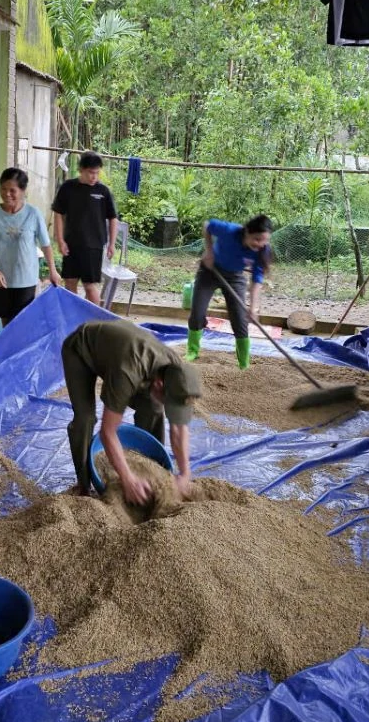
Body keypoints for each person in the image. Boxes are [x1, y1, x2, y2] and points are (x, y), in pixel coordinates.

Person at [61, 319, 201, 504]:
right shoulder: (127, 371)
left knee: (153, 409)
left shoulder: (178, 374)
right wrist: (128, 479)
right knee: (85, 418)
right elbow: (107, 432)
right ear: (159, 384)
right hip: (81, 349)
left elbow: (179, 429)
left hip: (123, 354)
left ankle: (155, 473)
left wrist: (184, 473)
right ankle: (84, 486)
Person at [186, 215, 274, 370]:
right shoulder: (229, 231)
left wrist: (253, 308)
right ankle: (192, 351)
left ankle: (243, 363)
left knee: (240, 320)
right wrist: (209, 251)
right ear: (247, 232)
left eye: (264, 240)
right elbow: (207, 225)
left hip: (234, 277)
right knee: (197, 314)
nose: (261, 244)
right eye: (257, 239)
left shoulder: (262, 250)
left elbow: (256, 281)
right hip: (209, 271)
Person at [0, 168, 59, 326]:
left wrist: (53, 271)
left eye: (12, 190)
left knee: (24, 326)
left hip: (26, 281)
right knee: (7, 327)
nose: (7, 194)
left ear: (23, 191)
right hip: (2, 281)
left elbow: (46, 245)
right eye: (3, 189)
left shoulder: (33, 214)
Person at [52, 152, 118, 305]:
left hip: (93, 246)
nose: (94, 177)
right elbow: (58, 213)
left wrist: (112, 244)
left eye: (97, 173)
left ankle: (95, 318)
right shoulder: (68, 187)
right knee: (70, 282)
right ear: (81, 170)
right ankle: (73, 317)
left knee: (90, 286)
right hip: (71, 244)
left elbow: (113, 218)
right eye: (90, 172)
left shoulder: (103, 191)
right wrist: (60, 240)